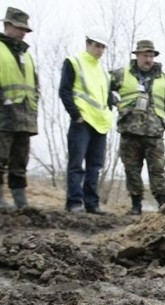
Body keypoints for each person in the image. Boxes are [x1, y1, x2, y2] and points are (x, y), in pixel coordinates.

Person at [0, 7, 38, 209]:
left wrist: (33, 105)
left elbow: (35, 84)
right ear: (7, 25)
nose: (23, 33)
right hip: (1, 115)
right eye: (19, 28)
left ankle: (20, 201)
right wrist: (2, 99)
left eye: (25, 30)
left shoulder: (26, 55)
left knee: (20, 162)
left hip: (25, 117)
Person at [110, 40, 165, 215]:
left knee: (157, 169)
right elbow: (103, 87)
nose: (148, 59)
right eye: (145, 56)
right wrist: (115, 103)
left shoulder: (163, 79)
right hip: (129, 130)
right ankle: (135, 205)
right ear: (137, 56)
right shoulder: (122, 74)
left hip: (154, 132)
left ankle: (163, 204)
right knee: (131, 169)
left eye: (151, 56)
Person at [58, 28, 114, 214]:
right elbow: (64, 91)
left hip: (100, 124)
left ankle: (92, 204)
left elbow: (105, 97)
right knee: (76, 164)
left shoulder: (104, 72)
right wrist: (76, 115)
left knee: (95, 167)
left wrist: (111, 110)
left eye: (102, 47)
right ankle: (74, 202)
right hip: (82, 122)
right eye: (97, 46)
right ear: (88, 44)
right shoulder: (74, 62)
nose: (99, 50)